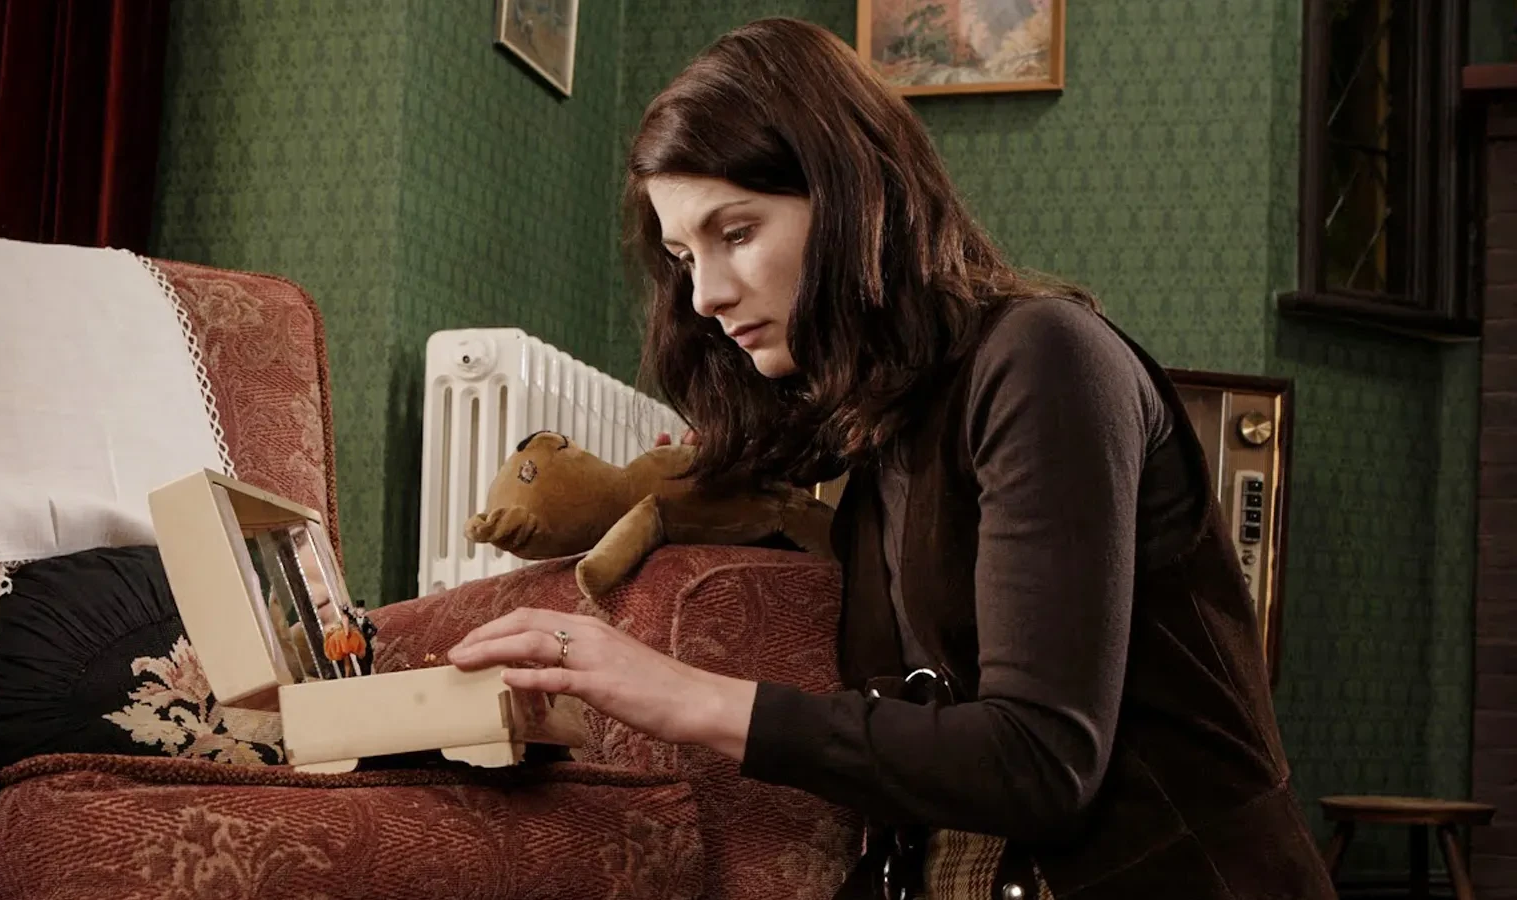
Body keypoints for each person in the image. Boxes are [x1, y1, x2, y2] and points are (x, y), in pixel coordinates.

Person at [447, 17, 1335, 900]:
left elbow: (1040, 761)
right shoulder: (880, 443)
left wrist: (683, 695)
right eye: (683, 256)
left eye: (738, 232)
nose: (707, 294)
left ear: (852, 195)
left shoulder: (1046, 358)